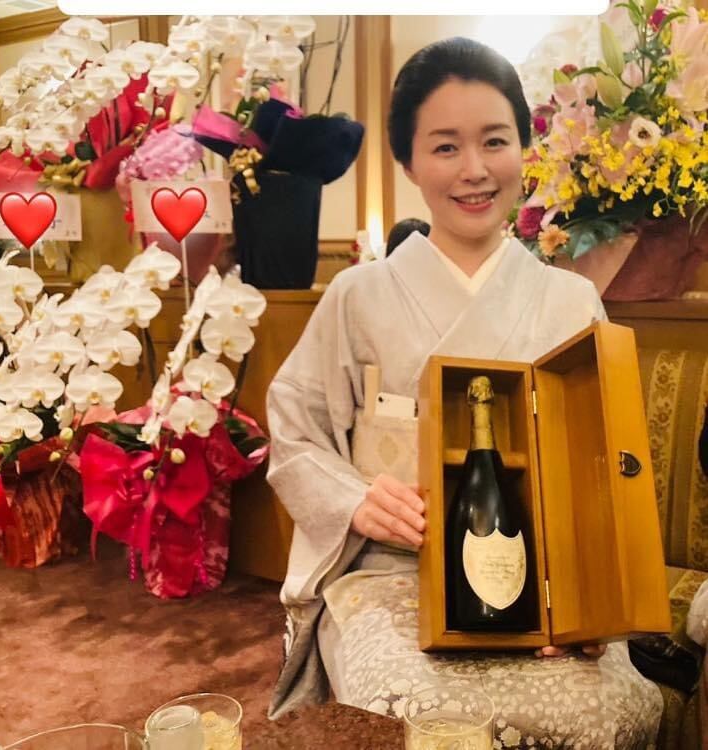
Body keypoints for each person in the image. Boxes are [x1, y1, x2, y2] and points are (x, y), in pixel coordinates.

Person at [266, 37, 662, 747]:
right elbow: (295, 433)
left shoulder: (571, 300)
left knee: (605, 712)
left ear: (524, 150)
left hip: (545, 588)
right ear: (408, 162)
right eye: (445, 147)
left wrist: (584, 603)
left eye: (495, 141)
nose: (475, 170)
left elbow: (604, 472)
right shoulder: (358, 296)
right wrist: (354, 499)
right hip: (392, 578)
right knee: (409, 711)